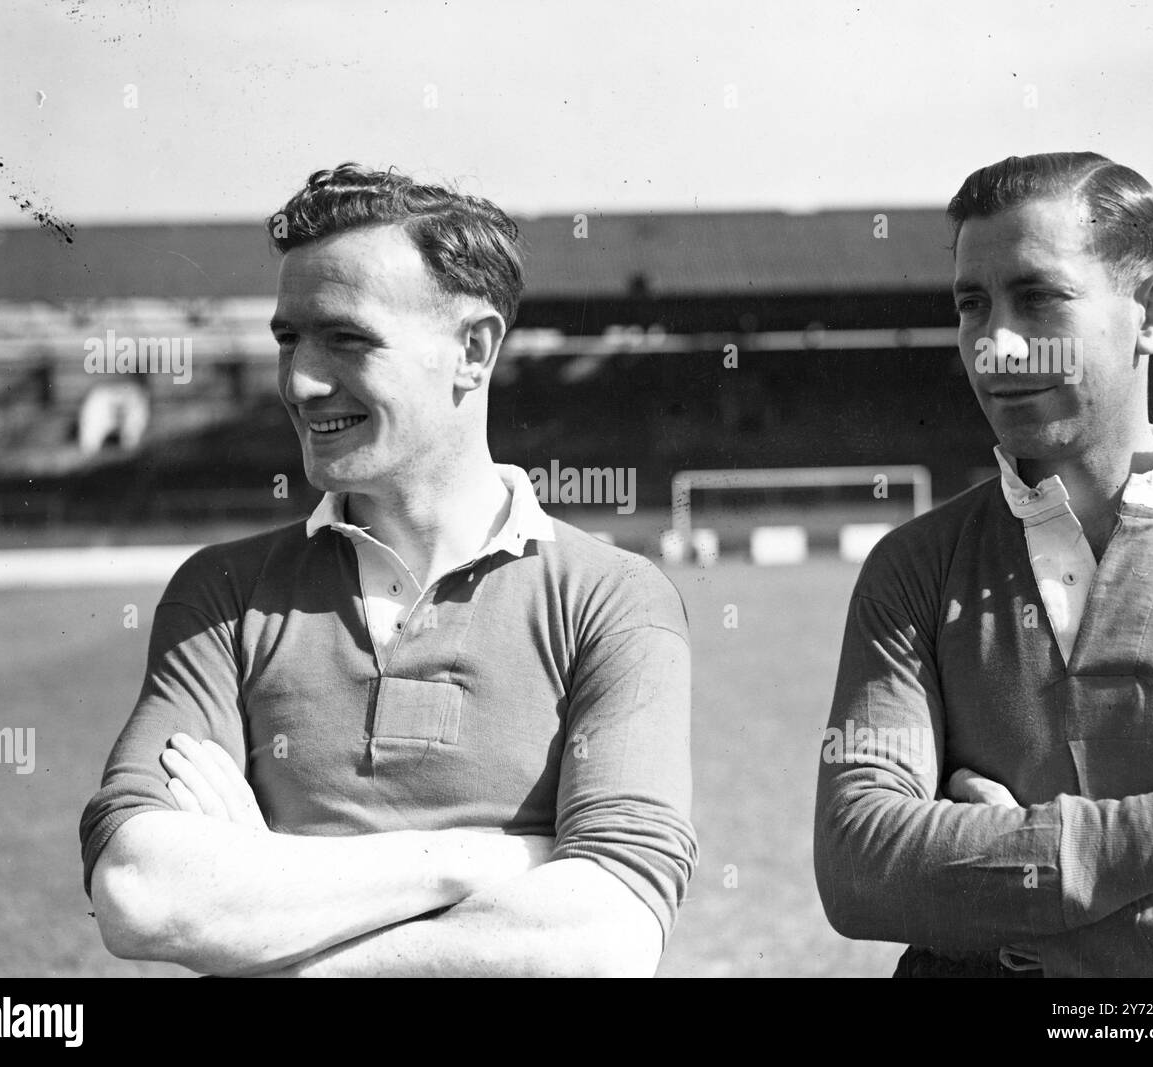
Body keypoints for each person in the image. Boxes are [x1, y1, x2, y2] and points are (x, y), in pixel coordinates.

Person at [79, 164, 696, 977]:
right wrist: (473, 860)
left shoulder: (613, 600)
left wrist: (266, 916)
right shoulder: (222, 596)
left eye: (346, 338)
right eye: (288, 338)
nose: (299, 380)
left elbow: (603, 938)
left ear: (473, 351)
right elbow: (142, 890)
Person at [814, 151, 1153, 977]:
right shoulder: (912, 572)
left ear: (1152, 313)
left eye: (1039, 297)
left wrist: (1003, 917)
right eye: (973, 305)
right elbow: (860, 864)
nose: (996, 346)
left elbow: (918, 877)